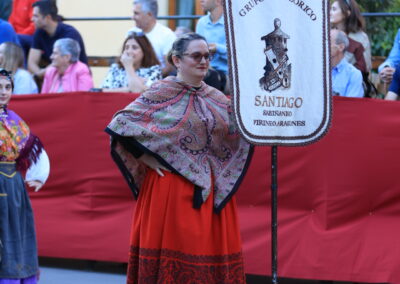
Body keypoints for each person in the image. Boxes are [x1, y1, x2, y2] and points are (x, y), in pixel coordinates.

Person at [105, 33, 253, 283]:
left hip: (211, 194)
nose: (204, 61)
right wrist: (144, 156)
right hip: (170, 191)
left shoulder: (217, 98)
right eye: (196, 56)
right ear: (177, 60)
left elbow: (239, 134)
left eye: (208, 56)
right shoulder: (161, 91)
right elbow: (121, 123)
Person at [0, 68, 50, 284]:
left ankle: (14, 277)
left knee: (15, 232)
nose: (3, 92)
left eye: (7, 87)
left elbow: (33, 146)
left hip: (13, 186)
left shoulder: (14, 120)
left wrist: (39, 174)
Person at [28, 0, 88, 81]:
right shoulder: (39, 32)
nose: (32, 19)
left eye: (36, 16)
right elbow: (31, 62)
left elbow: (61, 61)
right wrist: (40, 74)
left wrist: (41, 74)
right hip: (54, 79)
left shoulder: (70, 33)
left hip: (75, 80)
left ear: (47, 18)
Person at [128, 0, 176, 77]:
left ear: (149, 14)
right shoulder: (131, 33)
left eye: (136, 13)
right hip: (131, 81)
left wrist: (149, 80)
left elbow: (169, 67)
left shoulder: (167, 35)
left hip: (156, 84)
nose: (132, 17)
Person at [330, 0, 372, 72]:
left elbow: (365, 68)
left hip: (352, 80)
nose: (329, 13)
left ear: (346, 13)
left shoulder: (360, 38)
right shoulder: (328, 34)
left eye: (334, 9)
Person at [196, 0, 228, 90]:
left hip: (226, 74)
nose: (201, 1)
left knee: (209, 77)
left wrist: (217, 48)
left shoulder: (232, 23)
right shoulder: (201, 22)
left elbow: (240, 56)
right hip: (204, 70)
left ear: (218, 1)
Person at [331, 29, 364, 98]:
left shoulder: (353, 74)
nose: (321, 45)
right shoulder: (317, 71)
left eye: (327, 41)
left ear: (341, 47)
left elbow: (351, 106)